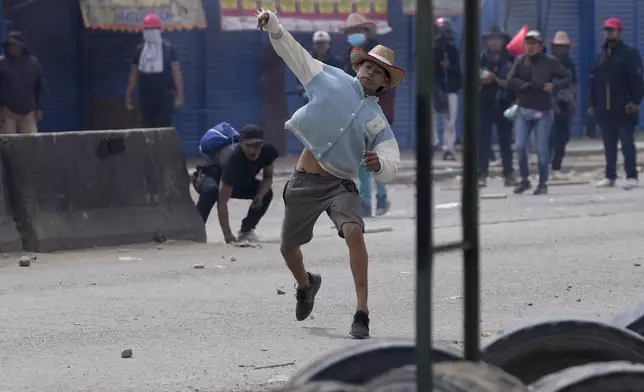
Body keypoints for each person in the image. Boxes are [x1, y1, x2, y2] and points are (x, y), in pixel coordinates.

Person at [257, 8, 404, 338]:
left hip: (341, 184)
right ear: (358, 66)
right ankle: (306, 284)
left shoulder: (376, 119)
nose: (369, 72)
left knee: (354, 232)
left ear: (384, 83)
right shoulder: (329, 78)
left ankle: (362, 312)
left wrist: (381, 166)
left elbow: (391, 158)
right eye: (366, 65)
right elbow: (295, 54)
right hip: (304, 181)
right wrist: (274, 27)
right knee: (287, 249)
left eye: (378, 71)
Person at [507, 30, 572, 195]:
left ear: (541, 46)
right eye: (528, 43)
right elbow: (511, 80)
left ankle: (543, 183)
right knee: (520, 146)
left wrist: (554, 86)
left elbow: (567, 76)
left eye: (534, 43)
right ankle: (524, 179)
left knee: (541, 149)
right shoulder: (520, 61)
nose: (530, 47)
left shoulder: (550, 62)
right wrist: (526, 86)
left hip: (543, 110)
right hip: (523, 109)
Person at [342, 13, 394, 217]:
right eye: (351, 32)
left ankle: (377, 198)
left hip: (375, 111)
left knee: (374, 156)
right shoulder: (349, 56)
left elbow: (387, 87)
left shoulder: (379, 54)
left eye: (357, 31)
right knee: (362, 158)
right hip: (355, 113)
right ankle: (368, 201)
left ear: (366, 32)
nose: (354, 35)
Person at [195, 124, 277, 243]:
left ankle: (246, 231)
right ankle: (196, 231)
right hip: (207, 177)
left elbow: (268, 177)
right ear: (240, 143)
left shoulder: (268, 151)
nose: (252, 150)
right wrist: (228, 235)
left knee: (266, 193)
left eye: (257, 145)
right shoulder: (233, 159)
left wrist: (260, 195)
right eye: (248, 145)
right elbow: (222, 202)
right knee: (211, 191)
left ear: (262, 144)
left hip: (238, 181)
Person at [589, 18, 643, 190]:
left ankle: (631, 175)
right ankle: (610, 176)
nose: (609, 34)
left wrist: (635, 101)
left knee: (627, 143)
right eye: (607, 31)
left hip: (624, 107)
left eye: (613, 30)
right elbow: (593, 81)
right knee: (609, 144)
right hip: (604, 109)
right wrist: (592, 103)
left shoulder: (629, 54)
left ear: (620, 32)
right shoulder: (601, 56)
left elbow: (638, 80)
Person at [125, 13, 184, 128]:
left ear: (159, 30)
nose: (151, 32)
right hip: (146, 97)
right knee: (147, 128)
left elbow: (176, 73)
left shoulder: (168, 49)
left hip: (164, 96)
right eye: (147, 29)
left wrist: (180, 96)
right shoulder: (140, 51)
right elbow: (134, 75)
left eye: (153, 29)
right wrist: (128, 95)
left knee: (165, 128)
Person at [478, 26, 515, 187]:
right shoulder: (480, 58)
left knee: (505, 142)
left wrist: (497, 80)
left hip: (504, 104)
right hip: (484, 104)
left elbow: (514, 82)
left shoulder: (511, 59)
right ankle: (481, 174)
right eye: (491, 39)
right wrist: (481, 79)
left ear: (503, 41)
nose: (495, 43)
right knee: (483, 142)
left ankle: (509, 174)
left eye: (498, 39)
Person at [0, 31, 44, 134]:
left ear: (21, 47)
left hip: (28, 112)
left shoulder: (33, 63)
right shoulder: (2, 64)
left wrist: (40, 107)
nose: (12, 47)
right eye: (10, 45)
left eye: (14, 45)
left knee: (31, 142)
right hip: (7, 112)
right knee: (7, 143)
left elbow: (40, 86)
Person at [549, 31, 577, 181]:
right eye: (558, 47)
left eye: (563, 47)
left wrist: (573, 102)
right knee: (551, 137)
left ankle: (557, 166)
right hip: (553, 105)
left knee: (564, 137)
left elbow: (574, 84)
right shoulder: (549, 63)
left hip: (567, 104)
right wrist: (553, 105)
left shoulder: (569, 63)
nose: (561, 49)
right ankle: (548, 166)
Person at [433, 17, 462, 161]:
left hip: (450, 89)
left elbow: (459, 71)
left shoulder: (453, 50)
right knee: (431, 120)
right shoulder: (432, 49)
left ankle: (449, 148)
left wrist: (449, 67)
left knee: (450, 121)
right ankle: (432, 145)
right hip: (435, 89)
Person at [295, 30, 343, 102]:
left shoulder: (338, 62)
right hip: (312, 100)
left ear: (328, 44)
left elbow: (342, 82)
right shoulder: (306, 62)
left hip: (332, 100)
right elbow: (299, 83)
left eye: (323, 43)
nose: (321, 46)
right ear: (314, 45)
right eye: (318, 43)